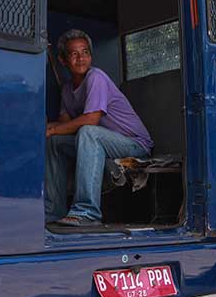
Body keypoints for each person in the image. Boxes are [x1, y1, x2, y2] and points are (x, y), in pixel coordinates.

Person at [45, 29, 153, 227]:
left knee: (88, 132)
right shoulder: (67, 89)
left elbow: (92, 119)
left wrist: (52, 129)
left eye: (85, 52)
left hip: (134, 144)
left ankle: (87, 212)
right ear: (62, 60)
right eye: (74, 54)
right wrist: (49, 128)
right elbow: (64, 124)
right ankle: (53, 210)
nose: (81, 58)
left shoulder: (96, 77)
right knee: (55, 143)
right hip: (102, 143)